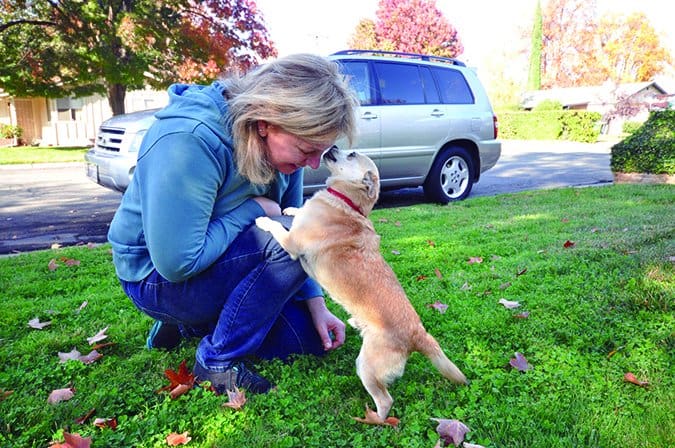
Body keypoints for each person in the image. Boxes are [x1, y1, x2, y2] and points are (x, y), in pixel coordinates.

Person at [107, 54, 359, 394]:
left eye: (322, 150)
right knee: (297, 232)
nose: (314, 164)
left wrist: (316, 304)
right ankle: (217, 361)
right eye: (307, 149)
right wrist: (252, 209)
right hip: (155, 278)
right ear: (266, 121)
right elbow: (177, 263)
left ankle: (189, 327)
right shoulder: (189, 138)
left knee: (307, 339)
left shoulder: (284, 146)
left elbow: (292, 223)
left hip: (222, 259)